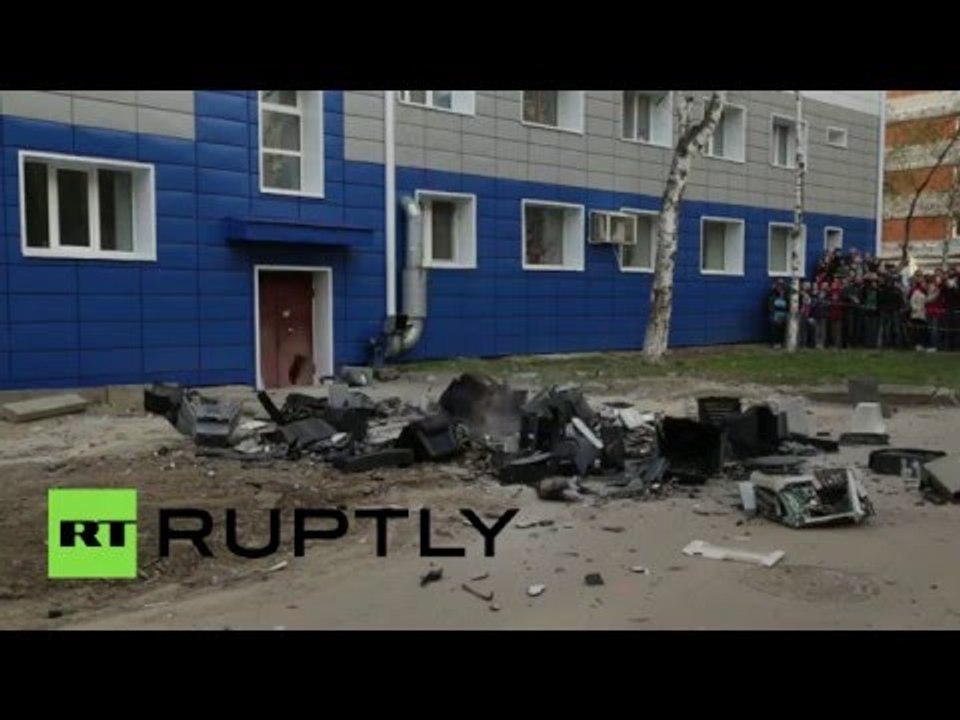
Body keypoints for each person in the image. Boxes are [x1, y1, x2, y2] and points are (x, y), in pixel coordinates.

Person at [925, 274, 945, 351]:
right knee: (930, 330)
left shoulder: (937, 290)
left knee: (935, 331)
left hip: (935, 312)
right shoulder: (929, 288)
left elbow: (930, 299)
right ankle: (932, 345)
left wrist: (927, 299)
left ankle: (936, 346)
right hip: (929, 312)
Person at [768, 280, 788, 348]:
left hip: (783, 315)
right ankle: (774, 343)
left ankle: (780, 342)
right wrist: (773, 315)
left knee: (781, 329)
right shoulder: (772, 295)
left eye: (782, 287)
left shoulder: (786, 296)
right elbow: (770, 306)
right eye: (779, 287)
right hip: (775, 315)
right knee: (774, 329)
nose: (780, 290)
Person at [910, 280, 928, 351]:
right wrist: (915, 308)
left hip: (922, 315)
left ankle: (921, 345)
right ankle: (915, 344)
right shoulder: (916, 292)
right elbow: (912, 301)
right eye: (923, 284)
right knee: (916, 330)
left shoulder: (925, 293)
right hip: (916, 314)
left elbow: (927, 301)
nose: (925, 285)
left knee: (922, 331)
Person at [829, 278, 845, 349]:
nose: (834, 284)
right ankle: (833, 344)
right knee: (832, 331)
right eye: (833, 283)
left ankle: (837, 344)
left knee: (838, 331)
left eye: (835, 283)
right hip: (832, 314)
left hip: (838, 314)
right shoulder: (830, 292)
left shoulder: (841, 292)